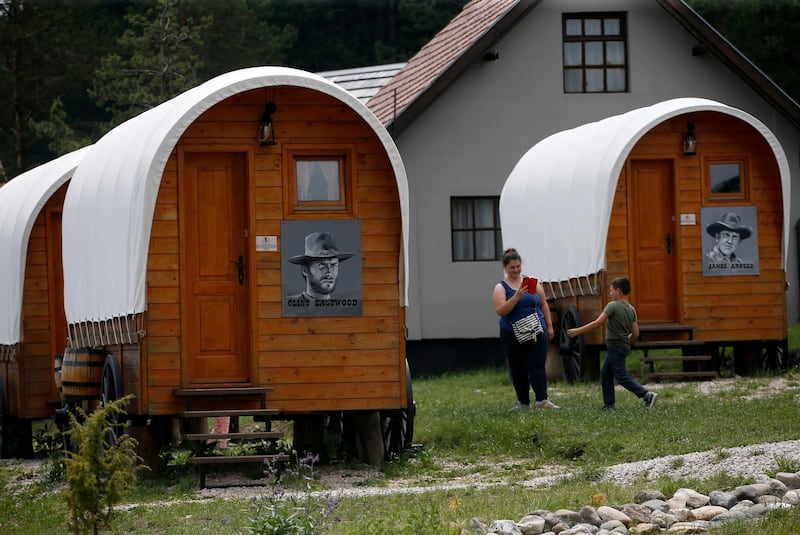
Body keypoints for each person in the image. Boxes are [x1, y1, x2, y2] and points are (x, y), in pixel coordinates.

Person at [567, 277, 657, 411]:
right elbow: (636, 334)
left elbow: (598, 322)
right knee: (606, 374)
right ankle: (609, 405)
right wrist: (626, 340)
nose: (610, 293)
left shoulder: (612, 306)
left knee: (621, 376)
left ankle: (646, 395)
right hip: (623, 346)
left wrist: (577, 331)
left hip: (615, 346)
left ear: (618, 291)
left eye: (611, 290)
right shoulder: (631, 309)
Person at [493, 248, 559, 411]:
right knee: (517, 366)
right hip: (512, 332)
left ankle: (542, 400)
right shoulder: (500, 288)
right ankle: (523, 402)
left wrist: (549, 326)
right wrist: (516, 297)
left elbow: (543, 304)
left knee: (537, 365)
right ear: (505, 268)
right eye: (512, 267)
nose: (516, 270)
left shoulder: (533, 282)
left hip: (536, 330)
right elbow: (501, 310)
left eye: (518, 266)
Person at [286, 231, 353, 303]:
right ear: (305, 270)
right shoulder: (289, 303)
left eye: (333, 265)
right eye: (321, 265)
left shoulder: (342, 308)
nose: (329, 271)